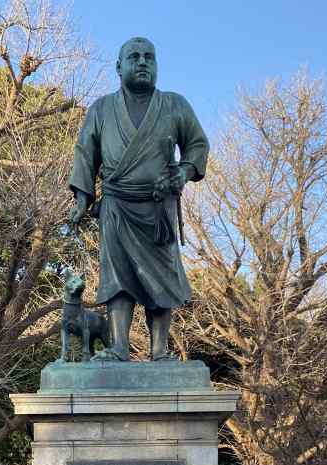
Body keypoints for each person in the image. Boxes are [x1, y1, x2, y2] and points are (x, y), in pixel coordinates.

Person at [68, 36, 209, 361]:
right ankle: (118, 347)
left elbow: (198, 145)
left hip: (159, 207)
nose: (142, 62)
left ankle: (159, 351)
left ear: (157, 65)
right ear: (119, 67)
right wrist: (81, 198)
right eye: (134, 57)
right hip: (116, 204)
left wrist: (183, 173)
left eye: (149, 57)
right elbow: (85, 153)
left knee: (162, 278)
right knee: (118, 277)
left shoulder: (175, 104)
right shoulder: (102, 109)